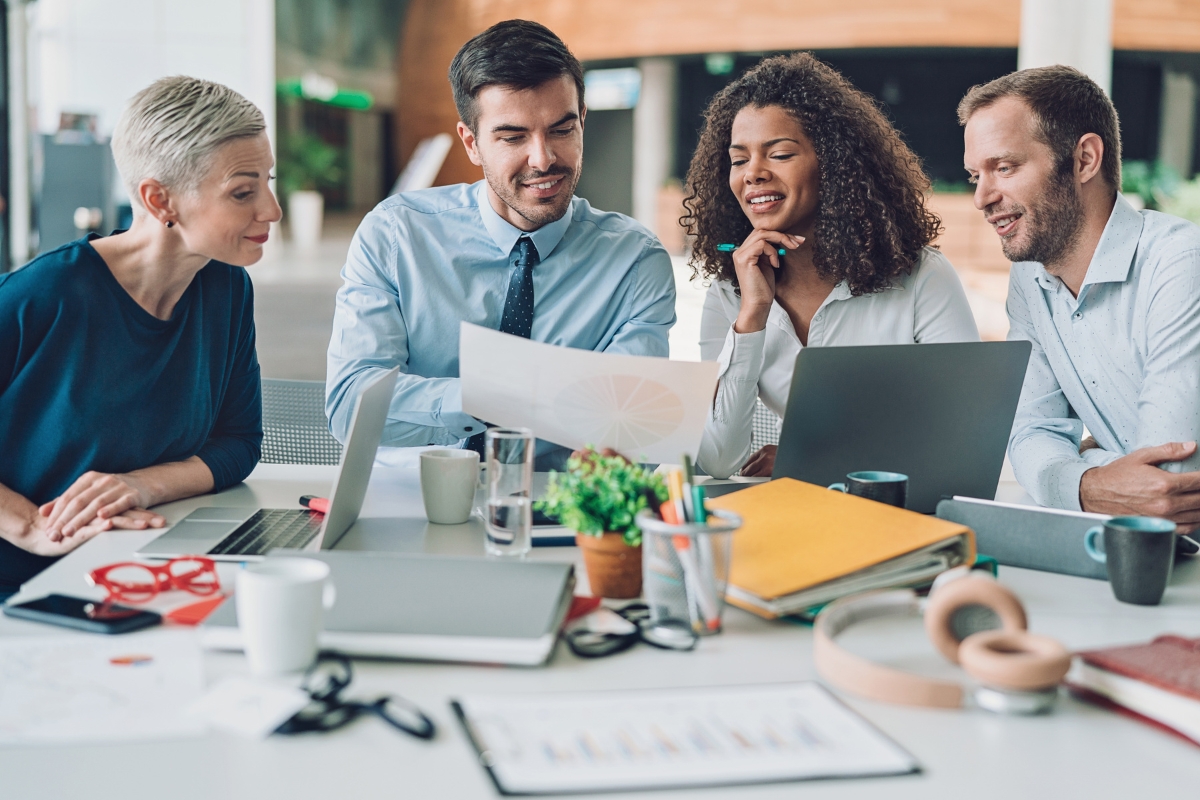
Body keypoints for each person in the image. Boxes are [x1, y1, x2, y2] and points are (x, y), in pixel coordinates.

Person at [326, 20, 676, 469]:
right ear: (471, 143)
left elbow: (630, 429)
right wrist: (509, 395)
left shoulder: (634, 262)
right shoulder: (397, 236)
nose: (543, 158)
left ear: (583, 122)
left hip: (559, 510)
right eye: (513, 137)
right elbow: (352, 404)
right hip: (415, 501)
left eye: (561, 130)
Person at [0, 77, 276, 597]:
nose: (271, 210)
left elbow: (237, 443)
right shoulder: (44, 294)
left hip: (132, 567)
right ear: (159, 199)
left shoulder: (226, 287)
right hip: (24, 586)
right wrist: (29, 526)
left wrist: (139, 485)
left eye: (268, 181)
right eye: (244, 192)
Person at [684, 53, 979, 480]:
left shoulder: (921, 278)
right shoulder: (732, 296)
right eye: (738, 160)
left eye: (780, 154)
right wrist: (752, 318)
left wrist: (811, 461)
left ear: (835, 164)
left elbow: (964, 433)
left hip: (899, 516)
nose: (753, 174)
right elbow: (718, 458)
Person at [961, 66, 1200, 530]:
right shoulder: (1030, 281)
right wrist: (1091, 481)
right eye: (975, 175)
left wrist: (1080, 462)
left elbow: (1169, 486)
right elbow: (1029, 433)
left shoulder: (1180, 263)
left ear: (1085, 159)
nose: (982, 198)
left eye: (1004, 167)